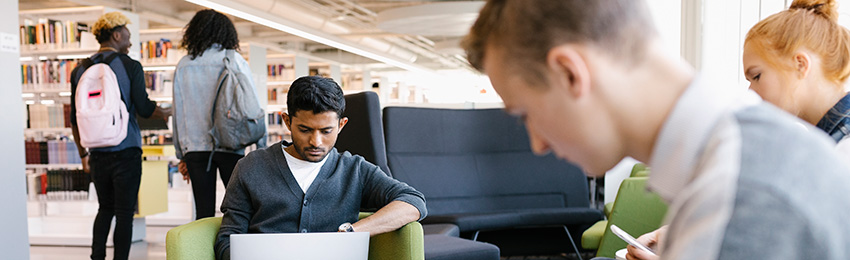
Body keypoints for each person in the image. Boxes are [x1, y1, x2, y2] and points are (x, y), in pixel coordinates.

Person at [463, 0, 850, 260]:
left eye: (526, 112)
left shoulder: (740, 194)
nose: (538, 143)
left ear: (570, 73)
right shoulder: (746, 158)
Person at [214, 76, 426, 260]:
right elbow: (227, 241)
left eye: (326, 131)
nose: (316, 141)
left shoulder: (354, 170)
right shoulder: (251, 167)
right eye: (305, 130)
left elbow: (413, 201)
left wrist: (352, 232)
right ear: (287, 121)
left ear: (341, 125)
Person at [69, 12, 171, 260]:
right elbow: (145, 109)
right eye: (127, 33)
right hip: (126, 150)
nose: (130, 39)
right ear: (116, 34)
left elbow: (74, 117)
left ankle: (97, 257)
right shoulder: (130, 66)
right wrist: (166, 111)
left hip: (96, 152)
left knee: (104, 208)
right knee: (124, 213)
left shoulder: (79, 69)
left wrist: (83, 154)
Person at [172, 9, 263, 220]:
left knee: (202, 212)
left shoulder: (184, 65)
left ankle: (204, 252)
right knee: (239, 207)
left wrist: (181, 154)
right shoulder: (234, 60)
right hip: (231, 143)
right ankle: (232, 249)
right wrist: (261, 144)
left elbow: (178, 113)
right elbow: (251, 105)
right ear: (226, 33)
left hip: (195, 148)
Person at [744, 0, 850, 159]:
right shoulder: (822, 145)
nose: (750, 91)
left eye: (757, 76)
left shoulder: (843, 151)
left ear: (800, 65)